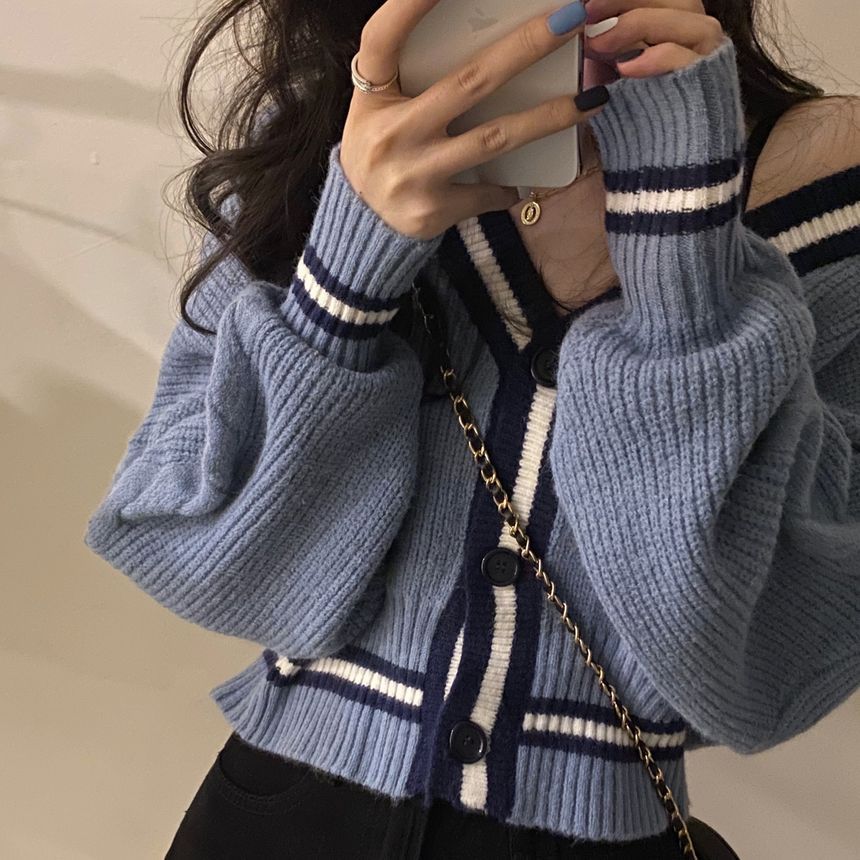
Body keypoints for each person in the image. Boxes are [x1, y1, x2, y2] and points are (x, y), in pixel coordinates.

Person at [83, 0, 860, 857]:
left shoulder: (823, 174)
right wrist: (346, 274)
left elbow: (766, 669)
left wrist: (684, 263)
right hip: (277, 818)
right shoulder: (321, 142)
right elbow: (220, 567)